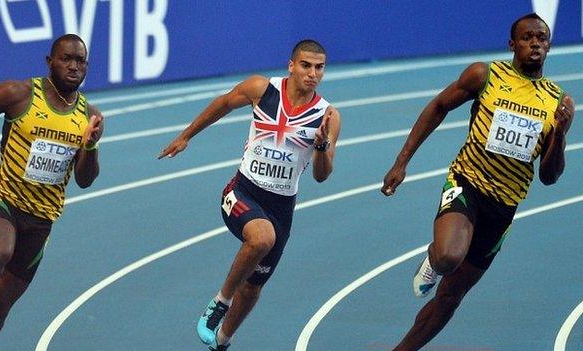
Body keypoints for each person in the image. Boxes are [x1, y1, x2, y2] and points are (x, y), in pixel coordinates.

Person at [380, 13, 575, 350]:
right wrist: (402, 162)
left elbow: (549, 176)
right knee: (447, 259)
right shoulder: (485, 75)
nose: (535, 44)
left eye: (541, 38)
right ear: (512, 44)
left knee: (451, 297)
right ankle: (431, 257)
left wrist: (560, 134)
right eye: (528, 38)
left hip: (504, 208)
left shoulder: (557, 101)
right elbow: (439, 106)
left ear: (548, 45)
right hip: (468, 183)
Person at [159, 39, 341, 350]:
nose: (312, 73)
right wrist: (186, 136)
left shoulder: (328, 116)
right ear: (291, 66)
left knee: (254, 286)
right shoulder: (262, 89)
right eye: (306, 65)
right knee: (261, 238)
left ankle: (222, 341)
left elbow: (322, 175)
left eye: (319, 68)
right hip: (242, 191)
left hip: (282, 207)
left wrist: (322, 145)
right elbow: (224, 102)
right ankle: (220, 301)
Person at [0, 34, 104, 350]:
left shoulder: (89, 116)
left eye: (80, 60)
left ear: (87, 67)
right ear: (49, 61)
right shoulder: (19, 94)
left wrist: (90, 144)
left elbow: (85, 180)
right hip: (3, 199)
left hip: (40, 221)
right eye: (66, 58)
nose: (73, 66)